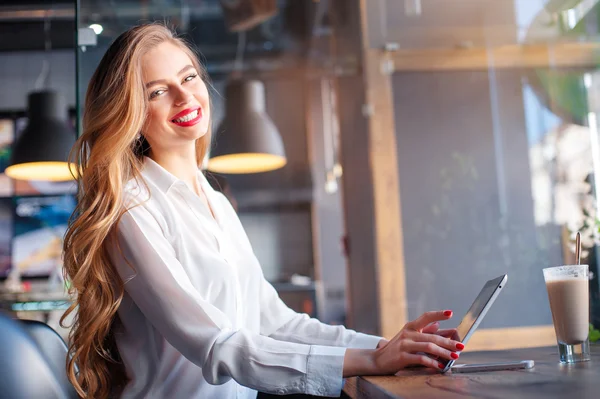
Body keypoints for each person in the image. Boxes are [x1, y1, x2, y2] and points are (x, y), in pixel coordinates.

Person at [61, 23, 464, 399]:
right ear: (130, 112)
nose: (185, 97)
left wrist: (385, 345)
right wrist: (374, 361)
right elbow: (217, 345)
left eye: (188, 77)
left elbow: (275, 323)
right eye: (157, 92)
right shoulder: (132, 209)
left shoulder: (215, 201)